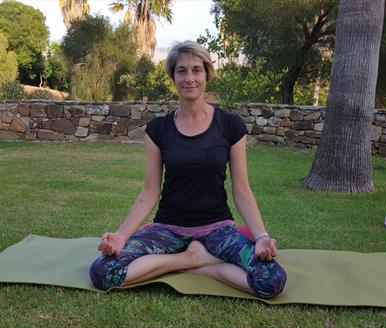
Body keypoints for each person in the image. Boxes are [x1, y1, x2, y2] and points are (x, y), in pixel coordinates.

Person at [89, 41, 286, 298]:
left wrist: (261, 236)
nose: (189, 78)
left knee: (271, 280)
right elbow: (149, 192)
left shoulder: (230, 126)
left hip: (218, 230)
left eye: (196, 70)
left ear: (207, 75)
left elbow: (242, 190)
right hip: (168, 230)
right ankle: (192, 260)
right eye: (181, 71)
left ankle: (202, 263)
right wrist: (121, 235)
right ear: (173, 76)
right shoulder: (158, 129)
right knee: (103, 272)